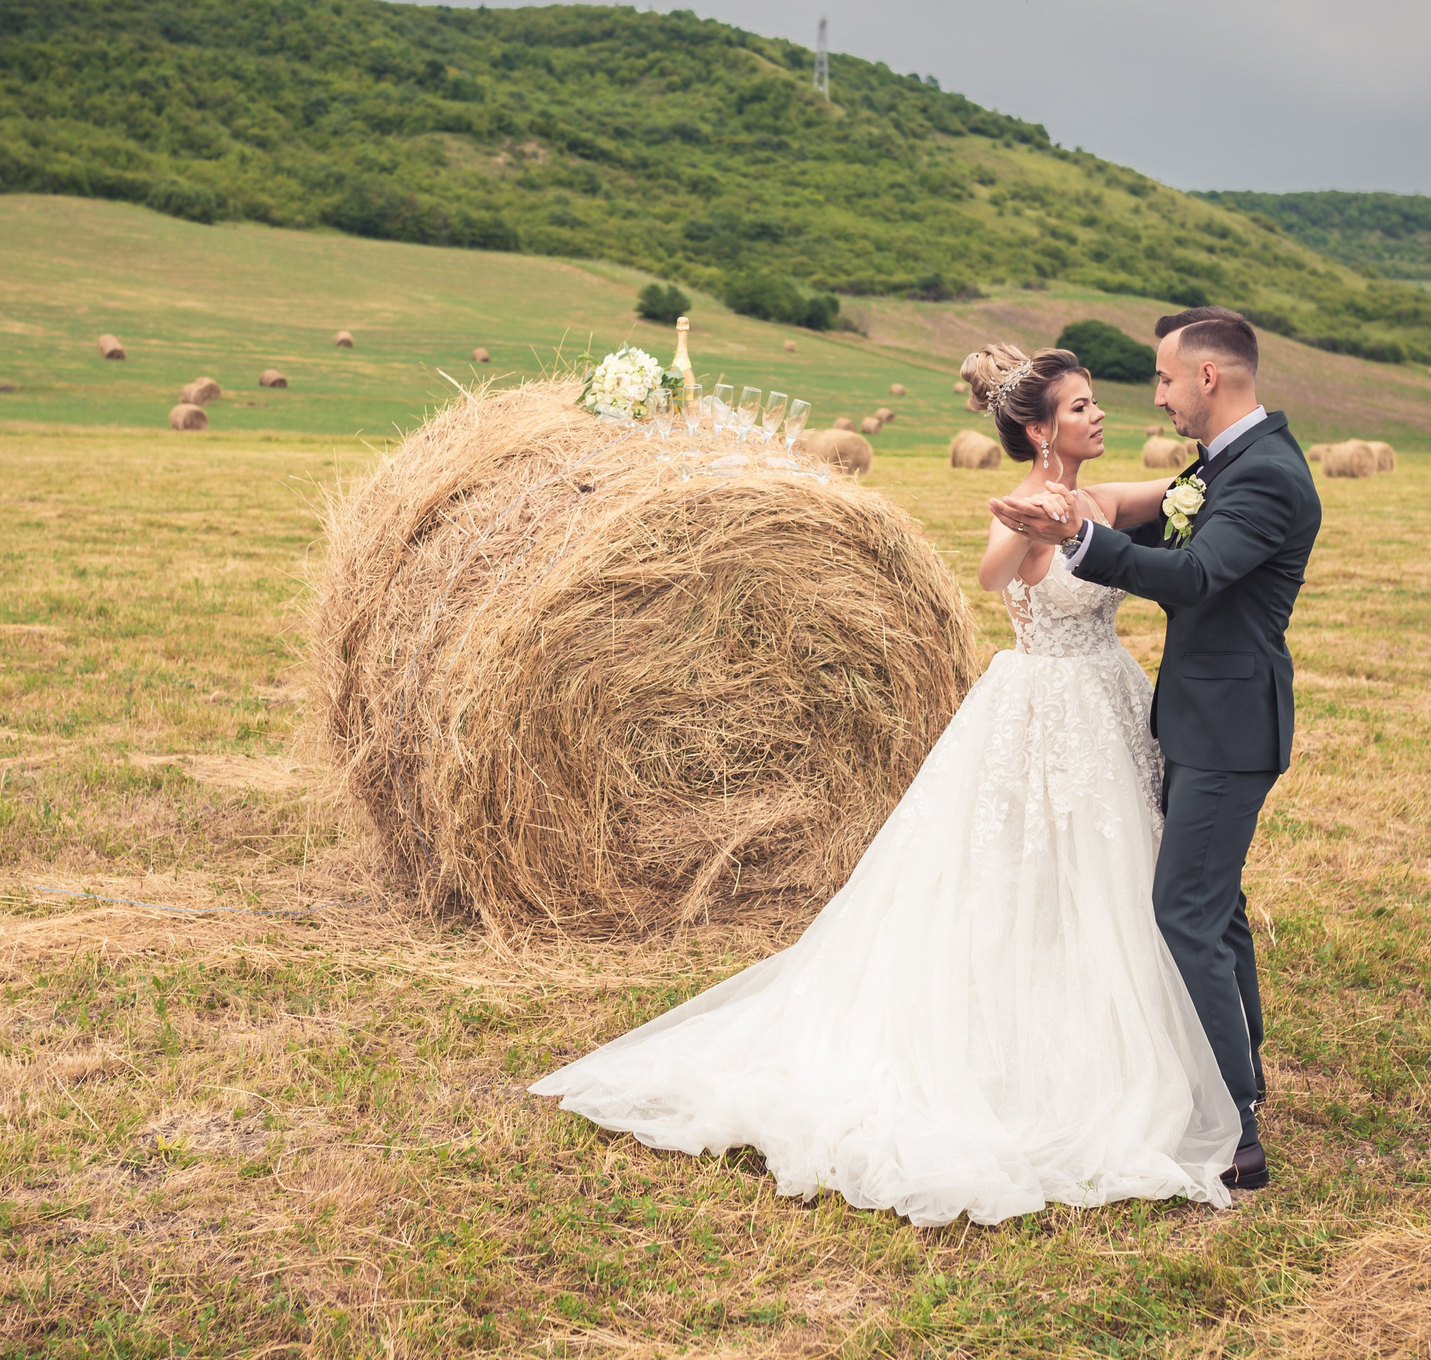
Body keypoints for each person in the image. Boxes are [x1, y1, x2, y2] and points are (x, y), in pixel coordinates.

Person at [531, 345, 1242, 1227]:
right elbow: (991, 575)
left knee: (1113, 870)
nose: (1100, 417)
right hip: (1042, 701)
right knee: (1023, 870)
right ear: (1037, 428)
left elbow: (1187, 493)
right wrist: (1026, 524)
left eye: (1098, 403)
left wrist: (1212, 468)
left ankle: (1152, 1043)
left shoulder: (1102, 500)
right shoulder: (1029, 507)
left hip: (1105, 698)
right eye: (1082, 407)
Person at [989, 306, 1319, 1190]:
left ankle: (1236, 1127)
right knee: (1218, 906)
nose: (1159, 396)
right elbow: (1168, 535)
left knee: (1182, 909)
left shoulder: (1268, 477)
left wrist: (1082, 540)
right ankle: (1241, 1062)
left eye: (1167, 379)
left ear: (1210, 377)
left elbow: (1198, 575)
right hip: (1200, 719)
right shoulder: (1225, 464)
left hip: (1229, 728)